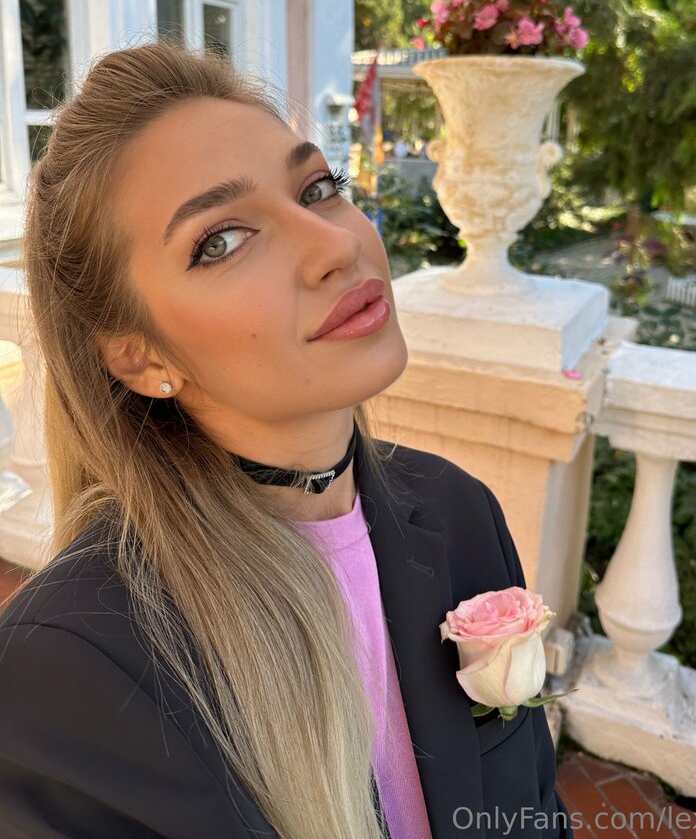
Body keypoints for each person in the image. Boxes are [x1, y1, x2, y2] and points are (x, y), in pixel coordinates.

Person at [0, 41, 573, 839]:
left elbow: (535, 809)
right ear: (139, 356)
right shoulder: (70, 667)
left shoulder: (457, 511)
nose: (337, 245)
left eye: (318, 189)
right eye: (221, 241)